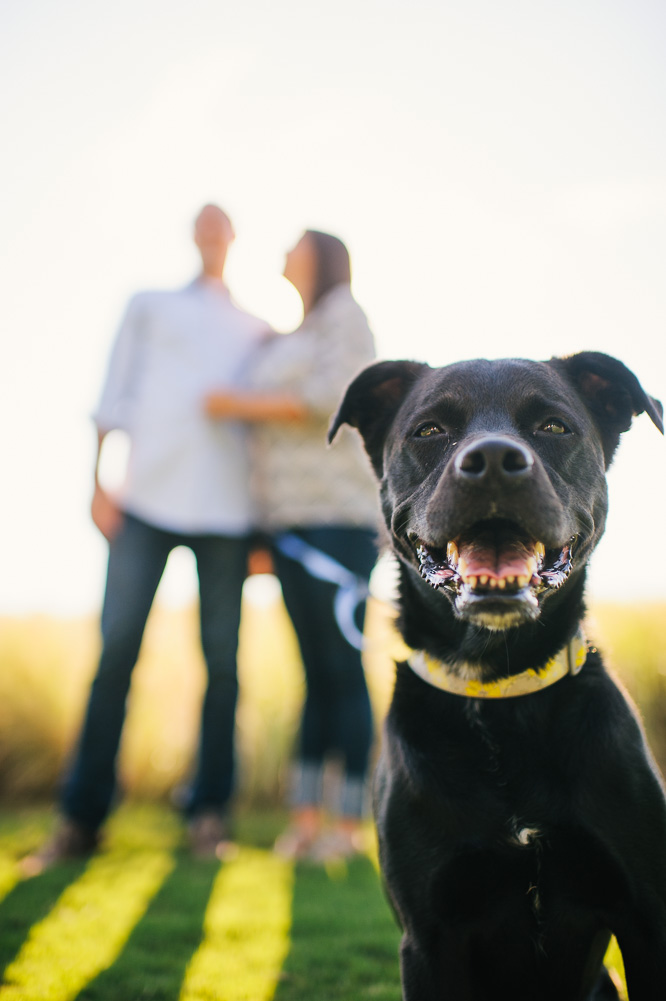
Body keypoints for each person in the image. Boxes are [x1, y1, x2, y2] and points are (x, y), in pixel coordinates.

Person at [26, 204, 269, 871]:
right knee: (116, 653)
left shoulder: (256, 328)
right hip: (144, 500)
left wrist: (264, 526)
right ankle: (80, 817)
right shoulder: (150, 304)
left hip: (226, 511)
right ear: (195, 233)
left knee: (223, 665)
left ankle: (209, 814)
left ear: (234, 238)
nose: (215, 232)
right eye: (206, 223)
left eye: (224, 224)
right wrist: (97, 481)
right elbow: (115, 389)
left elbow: (261, 431)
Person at [205, 229, 379, 860]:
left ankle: (348, 827)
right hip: (287, 523)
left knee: (343, 667)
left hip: (338, 520)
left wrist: (236, 404)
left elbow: (331, 398)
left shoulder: (345, 318)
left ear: (321, 257)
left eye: (296, 242)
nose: (284, 249)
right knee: (314, 671)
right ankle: (305, 822)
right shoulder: (294, 333)